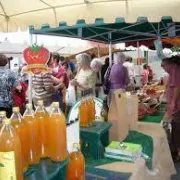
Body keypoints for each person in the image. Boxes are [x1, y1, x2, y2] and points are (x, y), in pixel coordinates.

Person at [161, 55, 180, 161]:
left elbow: (178, 86)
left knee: (177, 129)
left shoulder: (175, 69)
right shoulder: (173, 70)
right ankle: (175, 151)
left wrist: (173, 102)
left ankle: (176, 153)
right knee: (175, 127)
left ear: (168, 64)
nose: (163, 69)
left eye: (163, 67)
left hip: (177, 105)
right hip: (175, 105)